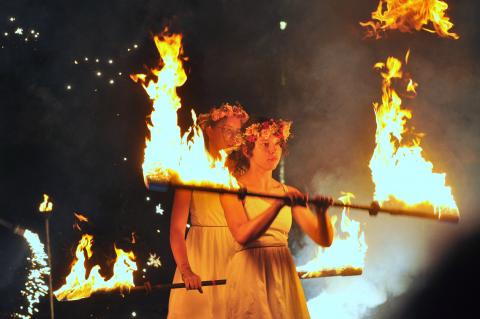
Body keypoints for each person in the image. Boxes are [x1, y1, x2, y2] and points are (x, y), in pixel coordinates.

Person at [220, 119, 334, 319]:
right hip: (250, 273)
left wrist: (323, 214)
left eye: (278, 145)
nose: (273, 151)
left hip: (282, 272)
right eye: (265, 145)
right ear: (248, 150)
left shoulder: (288, 192)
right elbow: (242, 234)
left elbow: (324, 239)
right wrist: (277, 205)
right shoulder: (232, 189)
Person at [168, 103, 249, 318]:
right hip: (201, 252)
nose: (233, 137)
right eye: (227, 131)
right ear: (210, 131)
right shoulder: (191, 170)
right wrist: (186, 270)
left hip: (236, 251)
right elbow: (176, 229)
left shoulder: (243, 172)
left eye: (237, 132)